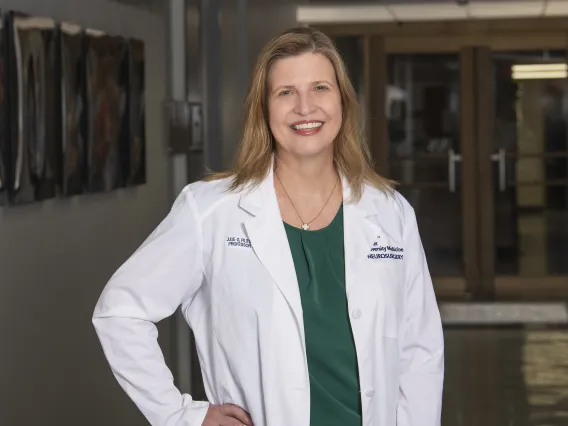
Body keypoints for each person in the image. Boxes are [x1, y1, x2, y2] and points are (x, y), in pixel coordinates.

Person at [92, 26, 444, 426]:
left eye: (320, 88)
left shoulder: (390, 212)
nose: (305, 107)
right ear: (264, 109)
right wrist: (181, 415)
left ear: (343, 103)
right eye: (285, 92)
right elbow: (119, 313)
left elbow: (420, 349)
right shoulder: (211, 209)